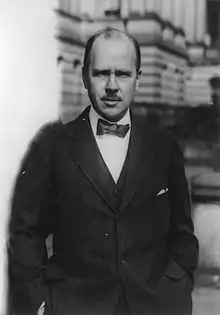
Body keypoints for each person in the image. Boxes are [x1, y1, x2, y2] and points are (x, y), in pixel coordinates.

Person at [7, 27, 199, 315]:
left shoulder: (163, 146)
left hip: (154, 305)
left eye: (122, 74)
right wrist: (39, 300)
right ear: (85, 77)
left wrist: (178, 286)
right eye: (101, 73)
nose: (112, 85)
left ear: (137, 79)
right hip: (75, 306)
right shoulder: (52, 147)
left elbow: (182, 230)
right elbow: (25, 233)